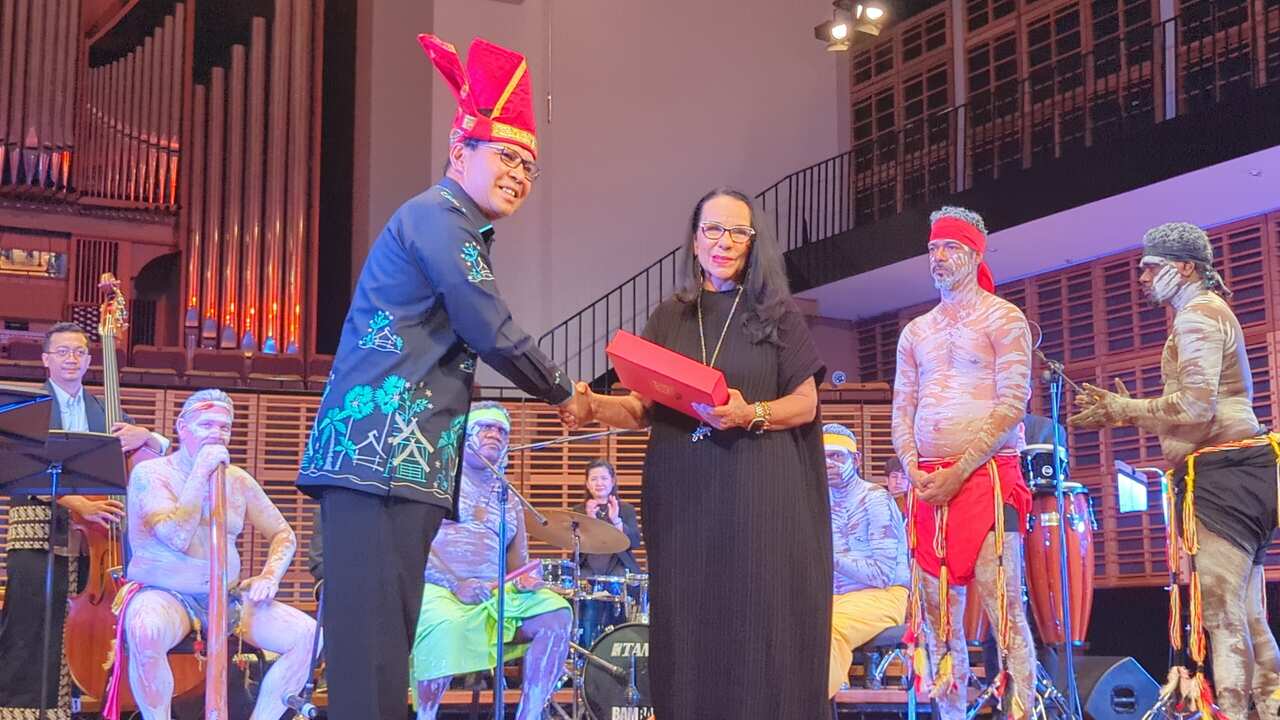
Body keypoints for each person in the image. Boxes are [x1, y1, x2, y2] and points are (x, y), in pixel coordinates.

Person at [294, 34, 587, 719]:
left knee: (384, 655)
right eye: (507, 156)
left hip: (403, 468)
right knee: (369, 660)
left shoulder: (456, 228)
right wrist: (570, 394)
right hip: (375, 463)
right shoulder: (436, 216)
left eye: (530, 167)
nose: (519, 173)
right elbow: (488, 324)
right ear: (461, 152)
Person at [564, 187, 832, 718]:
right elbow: (641, 408)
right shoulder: (671, 317)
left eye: (737, 231)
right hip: (685, 499)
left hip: (758, 495)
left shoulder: (776, 315)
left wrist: (748, 413)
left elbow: (805, 403)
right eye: (713, 229)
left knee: (757, 621)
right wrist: (593, 406)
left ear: (754, 244)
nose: (724, 241)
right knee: (689, 619)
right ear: (694, 239)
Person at [1069, 222, 1280, 720]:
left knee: (1224, 617)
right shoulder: (1206, 312)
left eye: (1151, 267)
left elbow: (1198, 406)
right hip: (1243, 471)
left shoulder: (1196, 318)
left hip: (1224, 475)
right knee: (1249, 615)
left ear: (1183, 268)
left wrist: (1125, 408)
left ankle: (1232, 712)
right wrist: (1131, 409)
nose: (1141, 277)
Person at [891, 206, 1036, 719]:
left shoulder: (1004, 318)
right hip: (928, 484)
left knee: (1004, 607)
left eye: (949, 247)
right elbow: (902, 409)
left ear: (974, 254)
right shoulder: (915, 332)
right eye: (932, 248)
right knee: (936, 617)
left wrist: (959, 470)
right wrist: (914, 471)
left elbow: (1012, 403)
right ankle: (950, 712)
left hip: (987, 478)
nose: (938, 257)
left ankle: (1021, 710)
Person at [107, 390, 316, 720]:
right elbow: (176, 536)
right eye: (207, 424)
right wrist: (200, 474)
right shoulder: (151, 474)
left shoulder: (238, 480)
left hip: (227, 596)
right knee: (145, 628)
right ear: (182, 427)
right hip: (166, 594)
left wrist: (269, 576)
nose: (217, 433)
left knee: (307, 636)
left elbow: (283, 534)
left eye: (225, 426)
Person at [0, 321, 166, 718]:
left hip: (89, 538)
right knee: (28, 621)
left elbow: (158, 450)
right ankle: (16, 711)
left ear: (90, 360)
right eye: (62, 352)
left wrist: (146, 434)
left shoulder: (103, 409)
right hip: (37, 527)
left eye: (78, 352)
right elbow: (18, 469)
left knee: (71, 626)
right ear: (45, 360)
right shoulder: (28, 406)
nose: (71, 358)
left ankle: (64, 708)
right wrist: (78, 503)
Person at [411, 402, 571, 720]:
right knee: (447, 624)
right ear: (465, 435)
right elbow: (412, 545)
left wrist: (525, 581)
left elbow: (517, 562)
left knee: (557, 613)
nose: (494, 434)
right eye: (485, 427)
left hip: (497, 593)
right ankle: (425, 716)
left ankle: (530, 713)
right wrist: (456, 584)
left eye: (501, 430)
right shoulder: (438, 480)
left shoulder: (508, 496)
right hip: (440, 588)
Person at [824, 424, 910, 698]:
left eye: (837, 456)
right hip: (835, 599)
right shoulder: (816, 500)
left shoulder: (875, 500)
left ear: (856, 459)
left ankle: (819, 704)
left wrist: (827, 557)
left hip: (883, 596)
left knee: (824, 626)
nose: (828, 464)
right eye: (821, 456)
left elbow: (882, 575)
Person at [571, 459, 642, 576]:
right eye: (594, 479)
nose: (599, 483)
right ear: (588, 484)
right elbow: (575, 544)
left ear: (612, 481)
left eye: (604, 478)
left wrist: (616, 521)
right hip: (587, 567)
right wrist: (590, 520)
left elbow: (634, 543)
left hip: (619, 566)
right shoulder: (579, 510)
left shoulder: (626, 508)